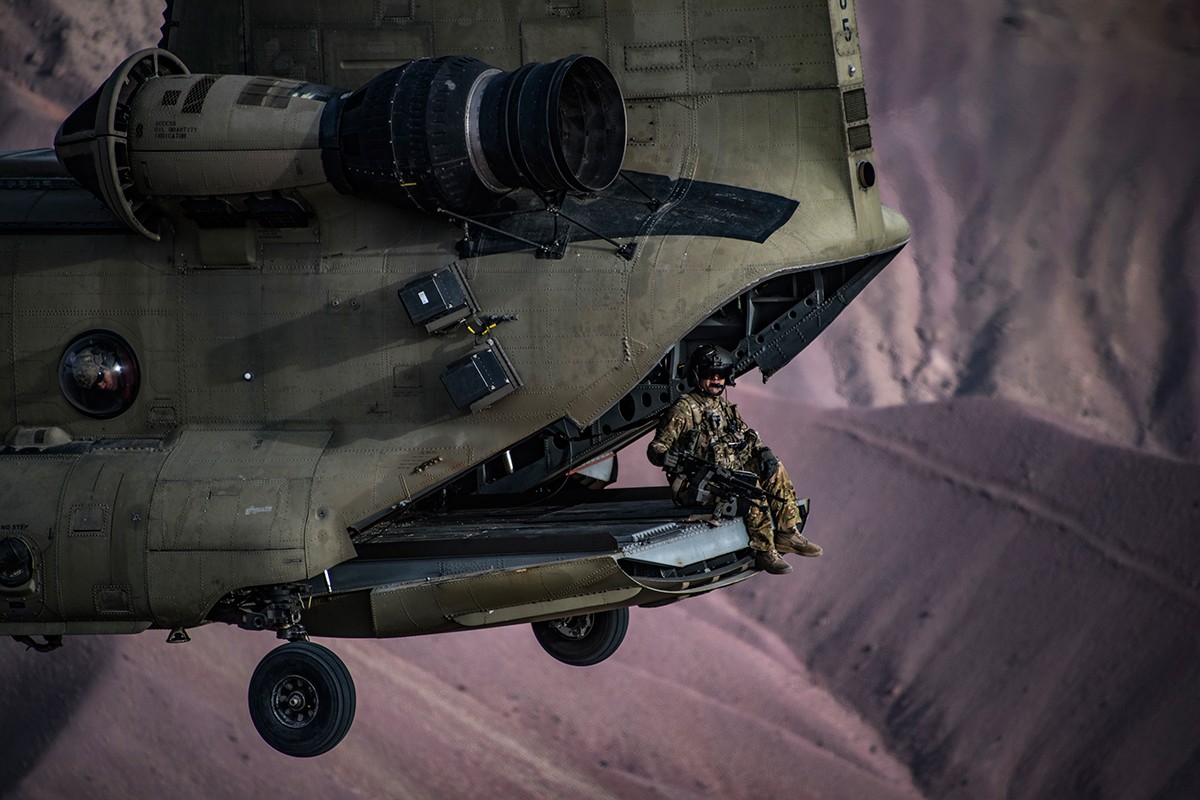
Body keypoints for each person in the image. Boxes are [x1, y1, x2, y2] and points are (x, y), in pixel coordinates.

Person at [647, 344, 822, 575]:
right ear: (699, 375)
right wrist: (666, 457)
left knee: (774, 468)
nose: (717, 380)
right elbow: (656, 448)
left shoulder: (725, 408)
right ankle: (764, 551)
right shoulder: (684, 410)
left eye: (721, 375)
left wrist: (763, 453)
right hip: (698, 483)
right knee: (750, 488)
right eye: (710, 375)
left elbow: (745, 437)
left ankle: (787, 532)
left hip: (729, 473)